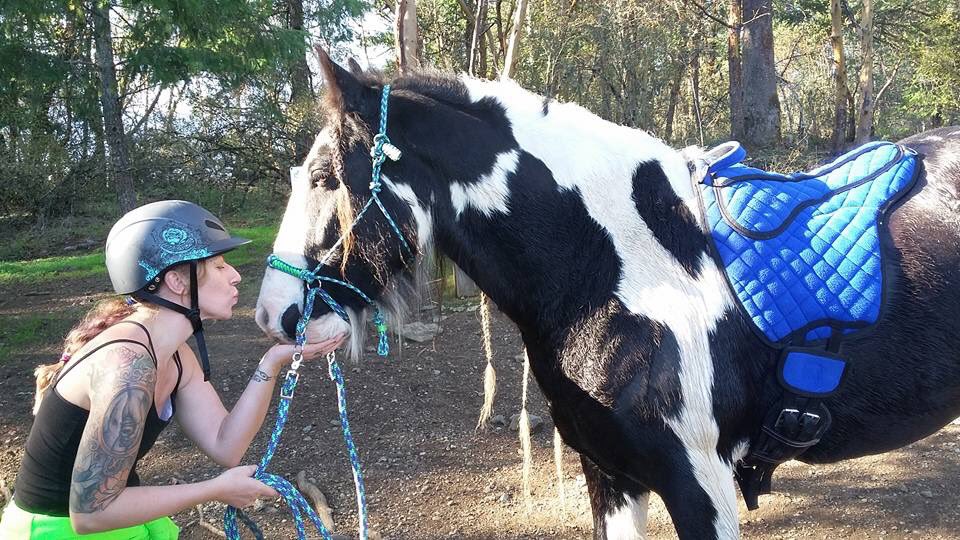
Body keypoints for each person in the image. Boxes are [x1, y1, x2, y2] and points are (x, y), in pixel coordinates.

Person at [0, 200, 344, 539]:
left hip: (118, 517)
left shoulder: (176, 355)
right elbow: (90, 514)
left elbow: (226, 445)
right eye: (221, 266)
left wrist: (272, 362)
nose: (236, 276)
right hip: (55, 530)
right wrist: (213, 490)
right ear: (178, 281)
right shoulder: (127, 363)